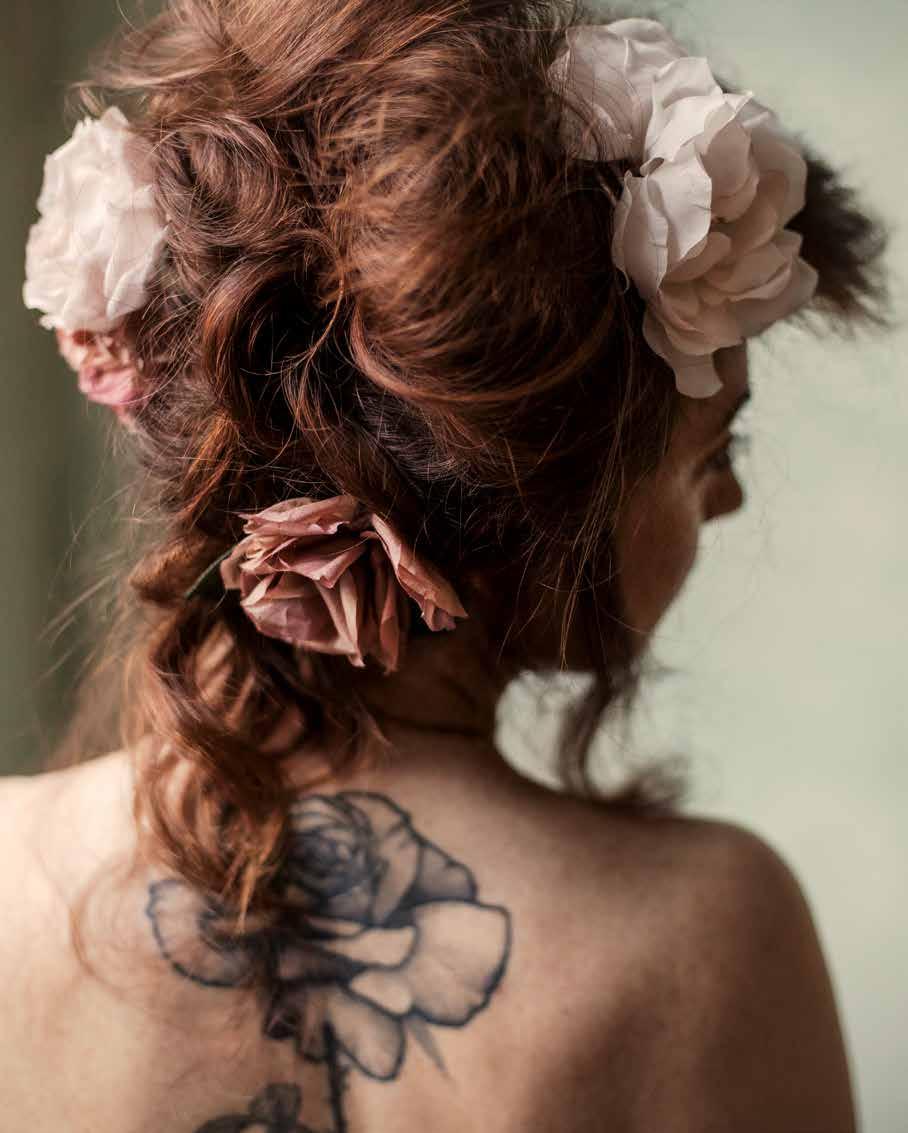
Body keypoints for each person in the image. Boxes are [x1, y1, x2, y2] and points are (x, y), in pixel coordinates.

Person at [2, 2, 890, 1130]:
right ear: (546, 493)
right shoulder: (705, 935)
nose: (727, 501)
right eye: (713, 453)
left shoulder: (7, 872)